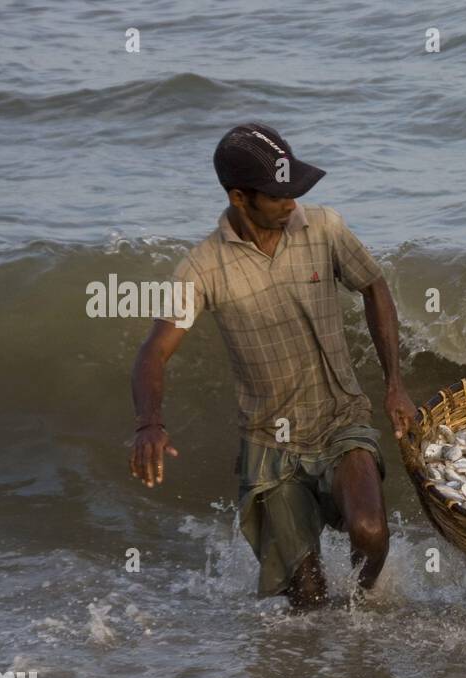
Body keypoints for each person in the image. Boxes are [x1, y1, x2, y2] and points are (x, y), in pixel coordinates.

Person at [128, 122, 415, 609]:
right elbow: (154, 351)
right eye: (278, 195)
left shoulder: (324, 228)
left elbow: (374, 286)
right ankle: (320, 668)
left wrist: (394, 384)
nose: (291, 203)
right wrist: (149, 424)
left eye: (294, 191)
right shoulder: (202, 268)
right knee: (306, 598)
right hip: (270, 444)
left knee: (369, 529)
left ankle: (363, 616)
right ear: (240, 198)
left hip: (341, 418)